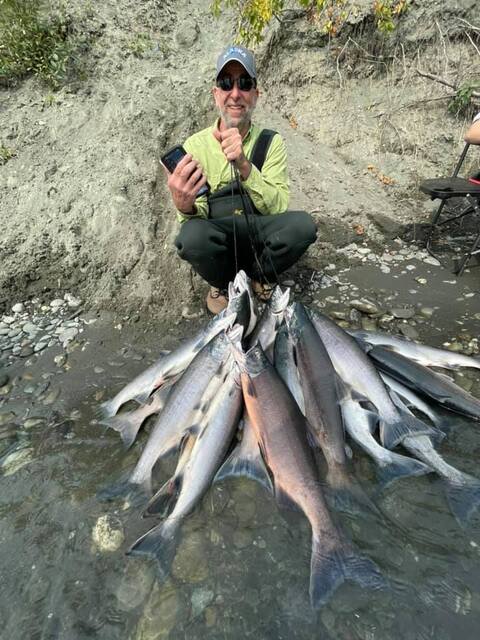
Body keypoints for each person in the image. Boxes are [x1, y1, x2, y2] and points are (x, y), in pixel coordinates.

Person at [164, 44, 317, 314]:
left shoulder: (272, 142)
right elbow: (193, 221)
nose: (235, 93)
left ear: (256, 95)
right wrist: (183, 205)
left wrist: (245, 166)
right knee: (190, 238)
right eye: (226, 83)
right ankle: (222, 284)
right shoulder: (195, 145)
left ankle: (261, 276)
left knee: (303, 226)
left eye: (244, 83)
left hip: (258, 228)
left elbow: (278, 207)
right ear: (215, 95)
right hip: (219, 234)